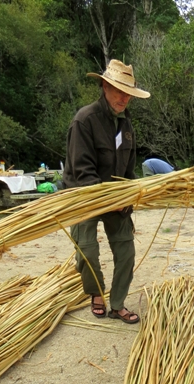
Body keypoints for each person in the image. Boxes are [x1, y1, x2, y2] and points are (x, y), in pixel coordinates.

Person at [63, 59, 150, 324]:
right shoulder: (84, 120)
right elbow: (82, 172)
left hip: (116, 198)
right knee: (86, 252)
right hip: (84, 195)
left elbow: (129, 171)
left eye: (128, 93)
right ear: (104, 86)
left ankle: (118, 304)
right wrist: (109, 201)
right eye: (118, 91)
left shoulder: (127, 126)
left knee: (126, 252)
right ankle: (96, 292)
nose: (123, 98)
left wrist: (128, 199)